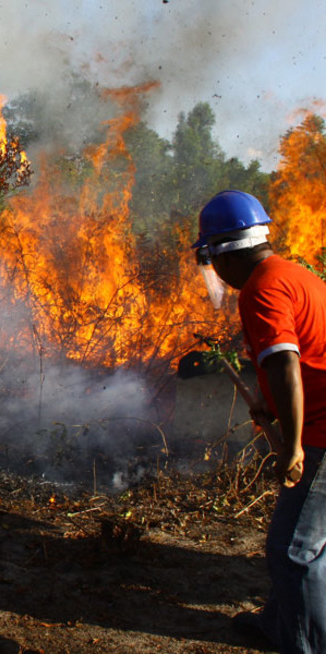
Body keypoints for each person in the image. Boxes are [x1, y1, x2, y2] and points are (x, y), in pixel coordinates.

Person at [194, 189, 326, 654]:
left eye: (210, 259)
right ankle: (279, 622)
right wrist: (270, 405)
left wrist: (291, 447)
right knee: (311, 541)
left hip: (322, 434)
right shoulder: (293, 274)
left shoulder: (259, 289)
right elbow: (312, 354)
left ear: (224, 253)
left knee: (293, 551)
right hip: (317, 417)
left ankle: (305, 645)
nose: (215, 273)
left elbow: (286, 362)